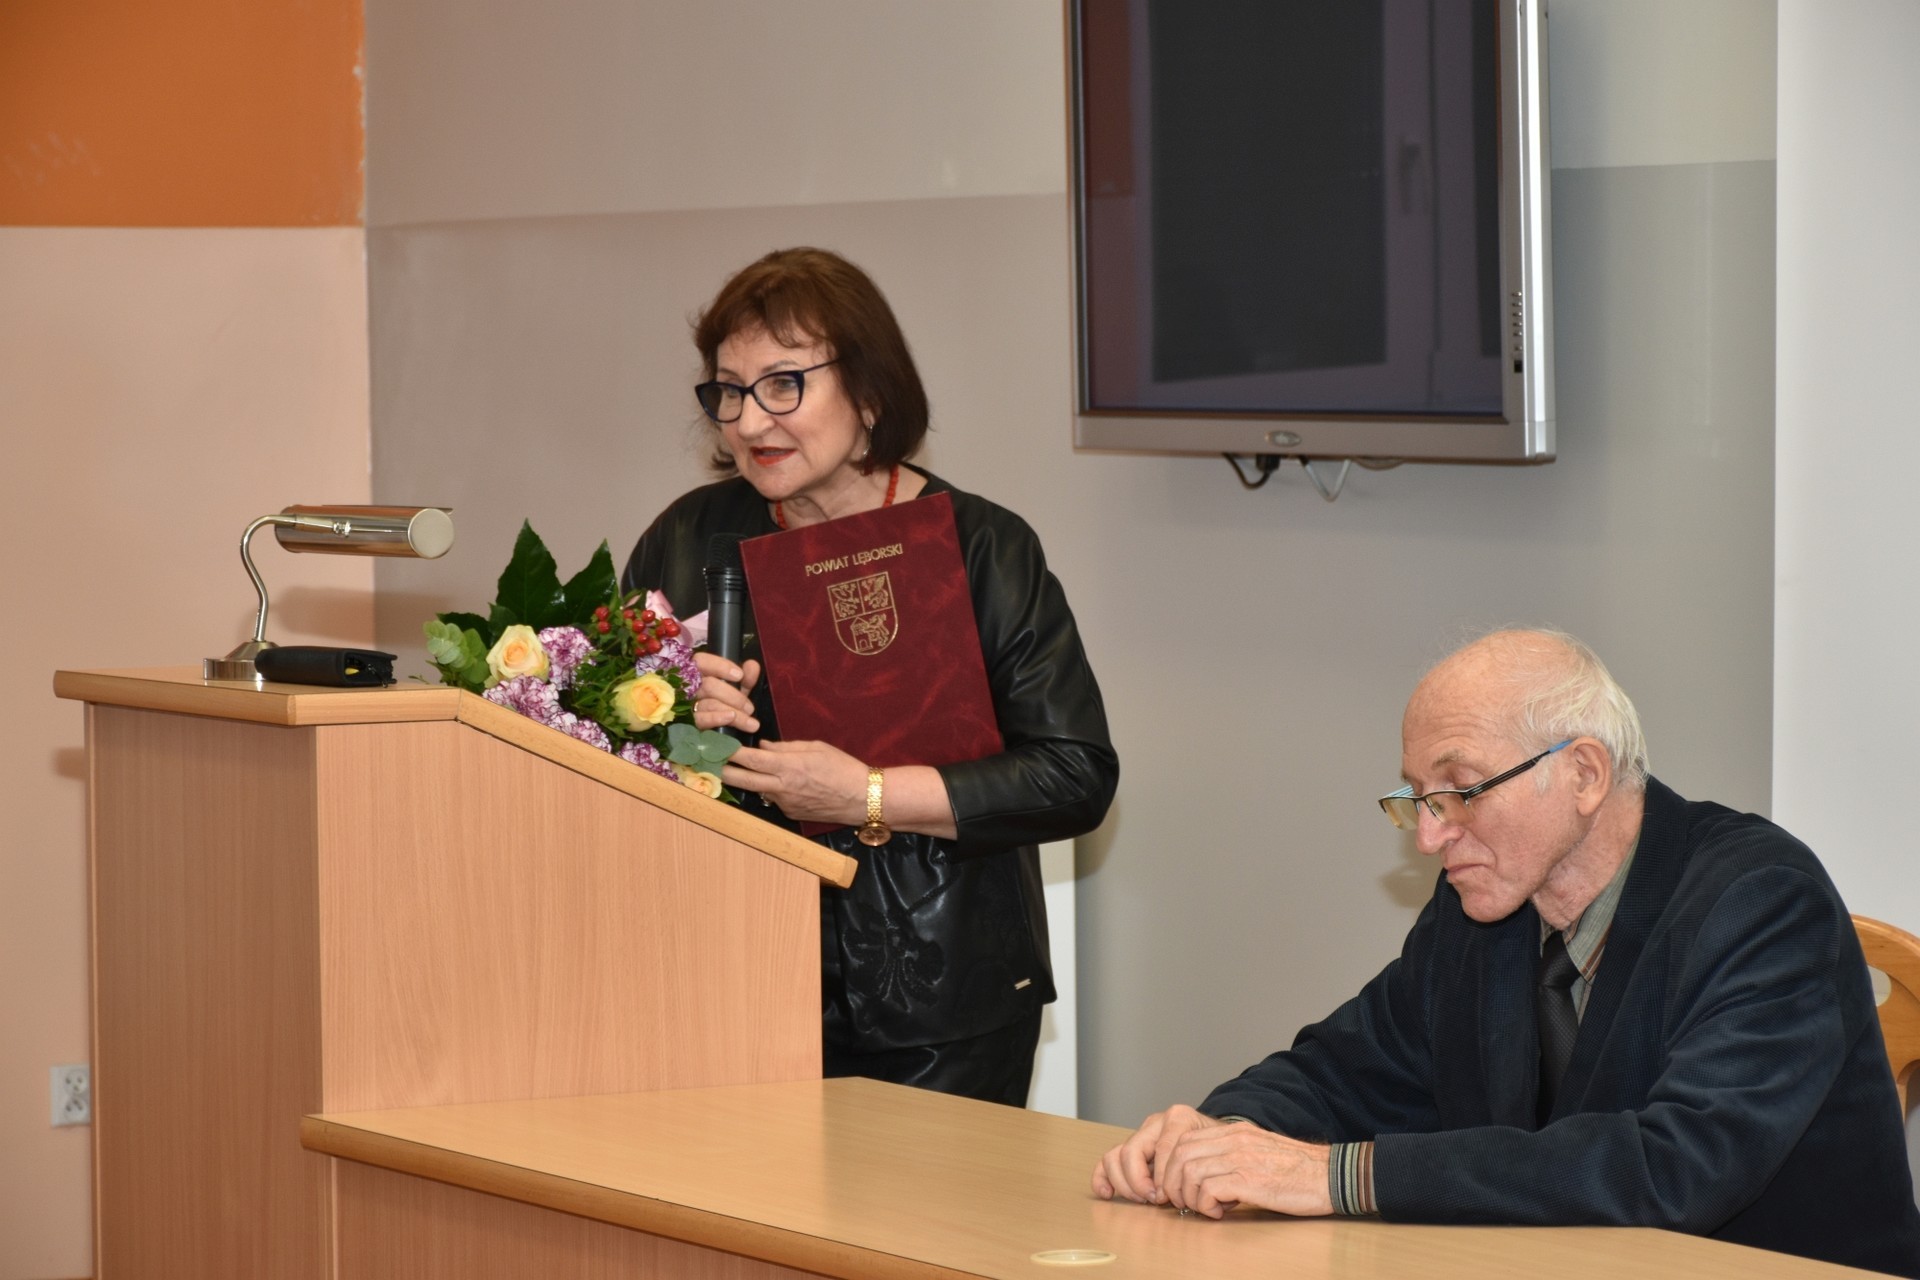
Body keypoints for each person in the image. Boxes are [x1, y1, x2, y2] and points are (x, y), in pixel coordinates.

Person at [1093, 629, 1920, 1277]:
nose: (1429, 836)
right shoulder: (1480, 903)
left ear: (1584, 775)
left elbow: (1676, 1167)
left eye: (1459, 791)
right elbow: (1344, 1069)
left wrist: (1337, 1178)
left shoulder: (1762, 899)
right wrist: (1221, 1135)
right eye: (1417, 798)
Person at [623, 246, 1118, 1106]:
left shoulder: (981, 546)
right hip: (733, 982)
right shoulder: (689, 536)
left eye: (784, 384)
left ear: (870, 392)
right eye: (730, 391)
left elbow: (1073, 776)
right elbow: (602, 743)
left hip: (942, 1001)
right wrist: (670, 719)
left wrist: (868, 796)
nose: (749, 420)